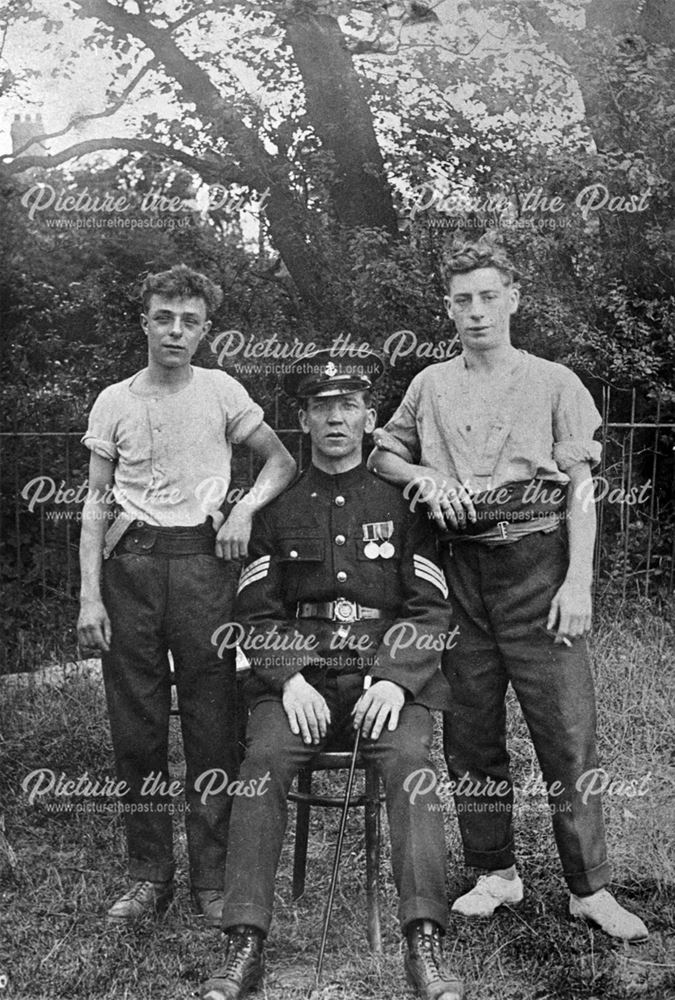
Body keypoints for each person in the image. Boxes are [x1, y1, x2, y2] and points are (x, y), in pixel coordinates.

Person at [368, 237, 648, 942]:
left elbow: (581, 488)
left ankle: (589, 887)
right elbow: (383, 452)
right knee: (470, 734)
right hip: (457, 573)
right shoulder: (429, 384)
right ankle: (494, 872)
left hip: (536, 565)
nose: (476, 311)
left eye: (489, 296)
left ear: (513, 299)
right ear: (448, 308)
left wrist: (576, 582)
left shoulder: (553, 380)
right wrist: (422, 477)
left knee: (565, 733)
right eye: (462, 300)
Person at [201, 350, 464, 1000]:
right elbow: (254, 614)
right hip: (302, 684)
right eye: (323, 407)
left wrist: (396, 679)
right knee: (260, 765)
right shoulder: (276, 509)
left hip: (383, 678)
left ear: (370, 416)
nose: (336, 418)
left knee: (411, 764)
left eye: (348, 405)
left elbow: (429, 608)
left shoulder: (405, 506)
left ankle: (422, 943)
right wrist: (287, 679)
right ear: (305, 419)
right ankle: (244, 946)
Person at [77, 264, 296, 926]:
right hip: (131, 571)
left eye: (189, 321)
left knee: (211, 724)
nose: (176, 331)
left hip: (205, 570)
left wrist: (242, 510)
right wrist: (90, 597)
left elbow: (282, 462)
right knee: (136, 731)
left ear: (205, 330)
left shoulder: (222, 391)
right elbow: (93, 505)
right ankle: (148, 875)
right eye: (164, 317)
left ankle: (210, 875)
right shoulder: (114, 400)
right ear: (144, 321)